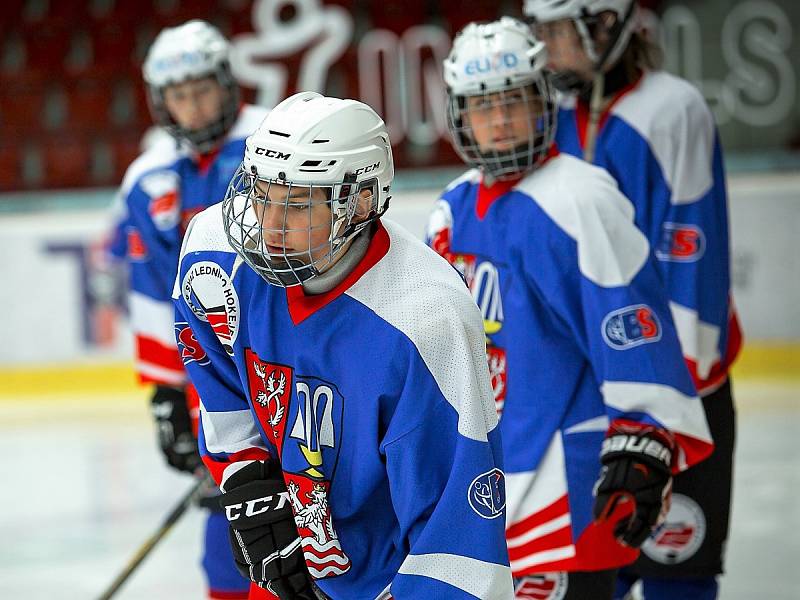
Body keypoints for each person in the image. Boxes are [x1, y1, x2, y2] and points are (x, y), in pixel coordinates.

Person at [172, 91, 513, 600]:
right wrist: (249, 479)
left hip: (390, 579)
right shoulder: (215, 254)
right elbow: (215, 368)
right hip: (291, 564)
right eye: (263, 195)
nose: (268, 225)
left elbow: (454, 525)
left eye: (297, 203)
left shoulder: (426, 317)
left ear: (359, 201)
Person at [427, 17, 713, 600]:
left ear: (542, 101)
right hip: (492, 479)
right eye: (485, 107)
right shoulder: (451, 209)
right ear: (461, 115)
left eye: (515, 101)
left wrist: (643, 432)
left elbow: (630, 325)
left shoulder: (581, 195)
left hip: (566, 483)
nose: (501, 121)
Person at [522, 2, 740, 598]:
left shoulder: (673, 110)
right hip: (590, 399)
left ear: (606, 25)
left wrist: (669, 401)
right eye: (541, 33)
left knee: (679, 570)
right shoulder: (548, 113)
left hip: (676, 394)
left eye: (561, 33)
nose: (549, 48)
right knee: (598, 572)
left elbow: (694, 253)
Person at [108, 19, 267, 600]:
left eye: (201, 89)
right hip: (213, 376)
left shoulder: (274, 141)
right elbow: (152, 292)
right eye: (179, 95)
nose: (193, 106)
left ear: (226, 84)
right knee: (231, 530)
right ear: (160, 101)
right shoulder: (147, 179)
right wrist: (167, 395)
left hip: (289, 353)